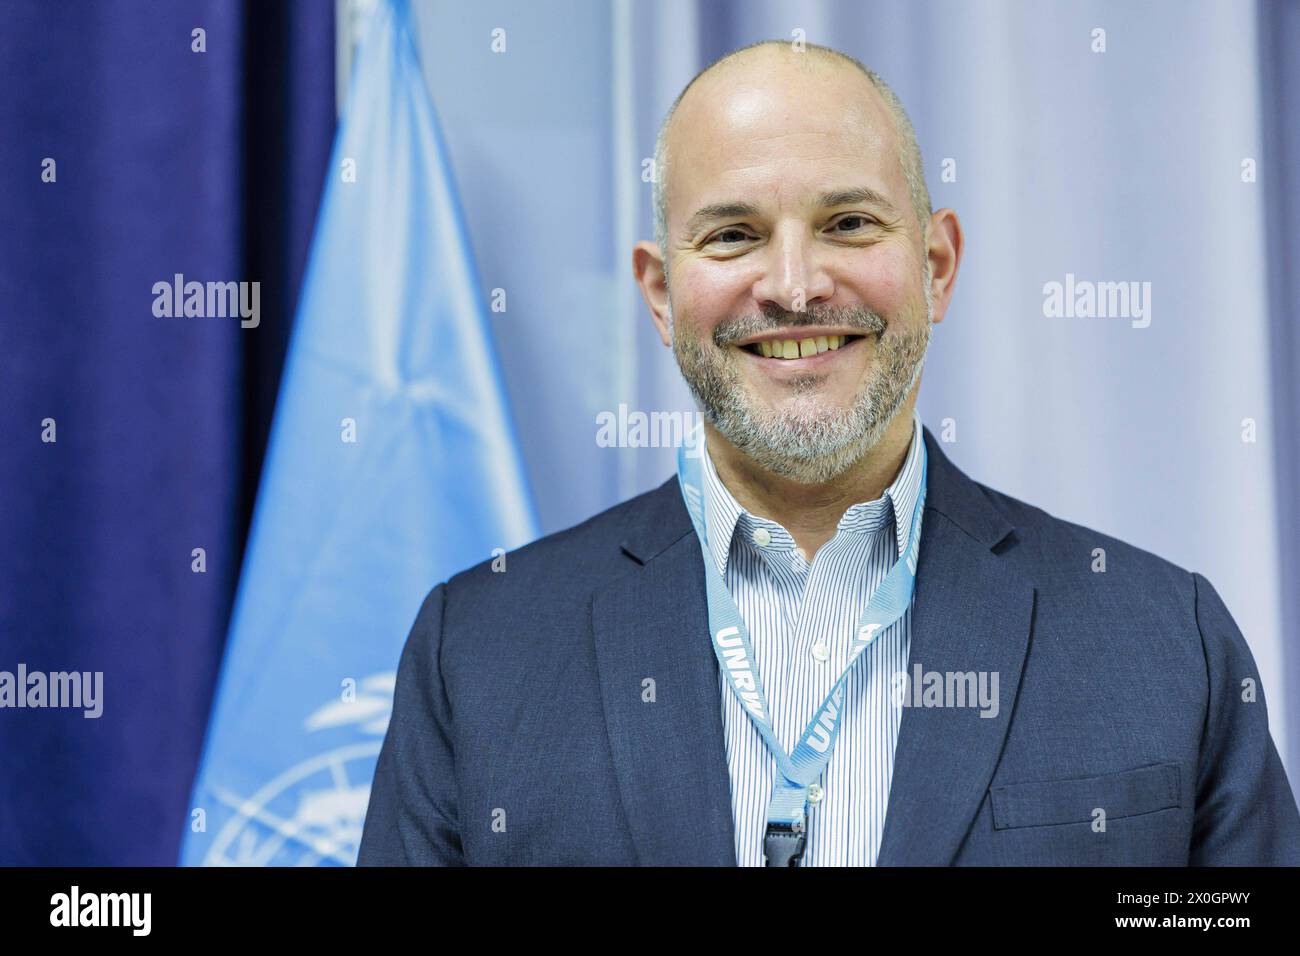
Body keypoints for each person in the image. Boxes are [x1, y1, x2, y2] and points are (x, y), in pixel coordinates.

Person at [357, 39, 1300, 866]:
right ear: (658, 293)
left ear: (936, 268)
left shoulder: (1167, 641)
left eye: (849, 223)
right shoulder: (476, 653)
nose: (797, 287)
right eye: (733, 235)